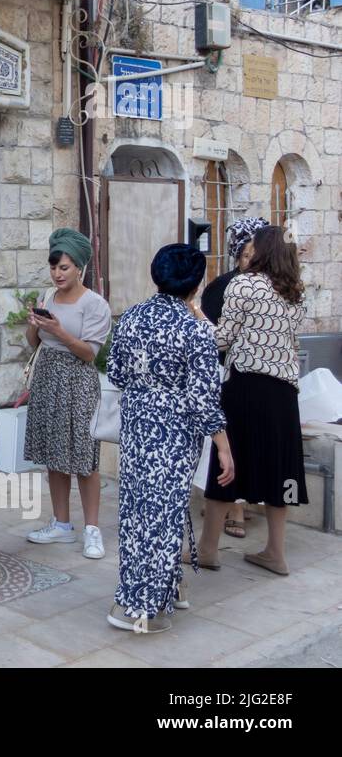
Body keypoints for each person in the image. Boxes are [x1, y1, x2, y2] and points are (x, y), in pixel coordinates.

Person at [107, 244, 234, 633]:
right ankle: (136, 608)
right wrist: (224, 445)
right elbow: (201, 398)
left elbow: (115, 373)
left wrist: (147, 389)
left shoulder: (130, 318)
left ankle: (167, 587)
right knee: (162, 514)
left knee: (139, 511)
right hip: (175, 433)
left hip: (138, 426)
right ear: (195, 286)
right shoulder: (195, 331)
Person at [197, 224, 308, 576]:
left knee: (226, 465)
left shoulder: (242, 283)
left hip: (245, 387)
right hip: (284, 392)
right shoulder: (295, 291)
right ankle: (276, 552)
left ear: (262, 251)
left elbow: (222, 339)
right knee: (283, 470)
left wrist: (197, 315)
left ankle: (207, 550)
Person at [23, 228, 113, 558]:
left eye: (64, 267)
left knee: (84, 456)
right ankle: (61, 524)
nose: (57, 274)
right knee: (54, 454)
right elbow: (33, 344)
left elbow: (89, 353)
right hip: (48, 379)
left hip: (78, 382)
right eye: (54, 267)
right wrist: (35, 322)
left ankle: (91, 529)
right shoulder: (48, 296)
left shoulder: (95, 304)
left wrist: (58, 330)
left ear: (79, 268)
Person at [199, 216, 268, 540]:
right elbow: (214, 336)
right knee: (229, 445)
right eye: (245, 255)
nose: (251, 261)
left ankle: (236, 506)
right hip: (227, 375)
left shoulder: (274, 286)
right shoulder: (222, 287)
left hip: (254, 379)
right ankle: (233, 510)